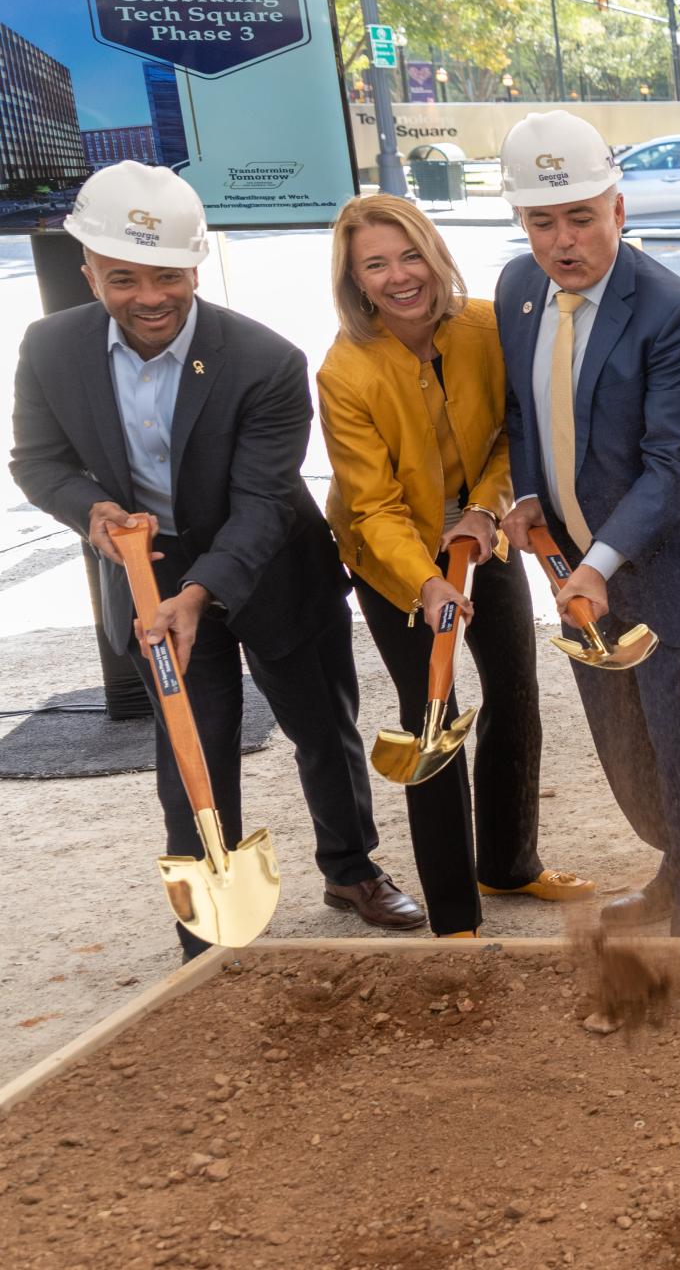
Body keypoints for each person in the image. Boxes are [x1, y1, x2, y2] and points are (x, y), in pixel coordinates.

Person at [10, 162, 420, 954]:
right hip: (145, 569)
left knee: (321, 727)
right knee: (191, 739)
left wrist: (198, 595)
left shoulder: (262, 360)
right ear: (88, 270)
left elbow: (264, 502)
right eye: (123, 277)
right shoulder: (51, 348)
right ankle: (208, 916)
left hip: (272, 565)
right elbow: (37, 461)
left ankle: (350, 867)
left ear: (195, 266)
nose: (149, 297)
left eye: (167, 275)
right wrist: (92, 513)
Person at [494, 111, 680, 937]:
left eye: (581, 216)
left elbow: (676, 463)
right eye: (543, 221)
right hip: (578, 565)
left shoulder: (672, 313)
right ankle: (678, 864)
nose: (563, 241)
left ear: (619, 208)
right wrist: (530, 493)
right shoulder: (515, 291)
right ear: (522, 222)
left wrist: (601, 562)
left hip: (673, 562)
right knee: (627, 754)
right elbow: (524, 410)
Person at [319, 194, 593, 938]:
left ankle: (507, 864)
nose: (400, 277)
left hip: (479, 529)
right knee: (430, 713)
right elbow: (371, 507)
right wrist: (427, 581)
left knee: (514, 689)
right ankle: (454, 916)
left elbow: (512, 428)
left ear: (434, 254)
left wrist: (483, 506)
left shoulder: (481, 329)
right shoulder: (345, 372)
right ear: (355, 279)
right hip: (391, 556)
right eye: (376, 264)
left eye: (410, 255)